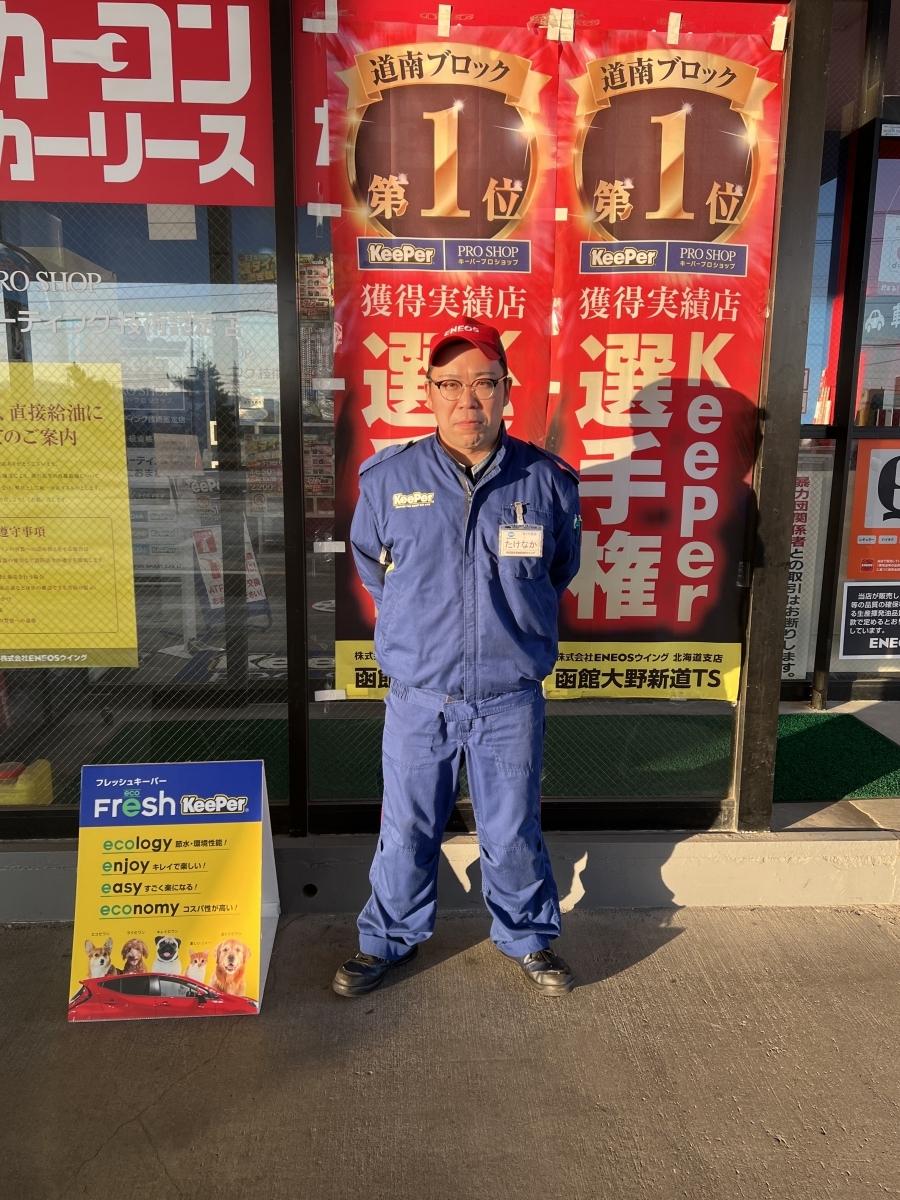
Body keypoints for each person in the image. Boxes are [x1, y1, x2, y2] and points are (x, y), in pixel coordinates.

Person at [332, 319, 581, 998]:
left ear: (506, 390)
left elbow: (558, 569)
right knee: (406, 828)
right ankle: (387, 940)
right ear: (429, 392)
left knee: (512, 829)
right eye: (450, 384)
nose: (466, 398)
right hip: (421, 698)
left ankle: (528, 938)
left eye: (483, 382)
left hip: (509, 699)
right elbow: (373, 568)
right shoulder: (389, 479)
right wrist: (422, 632)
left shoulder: (547, 480)